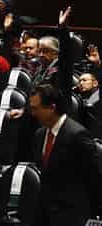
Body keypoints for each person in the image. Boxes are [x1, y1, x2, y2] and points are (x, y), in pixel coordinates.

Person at [29, 84, 101, 226]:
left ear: (51, 108)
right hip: (45, 214)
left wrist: (95, 215)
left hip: (72, 215)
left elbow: (94, 178)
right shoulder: (39, 135)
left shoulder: (77, 135)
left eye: (35, 108)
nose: (33, 113)